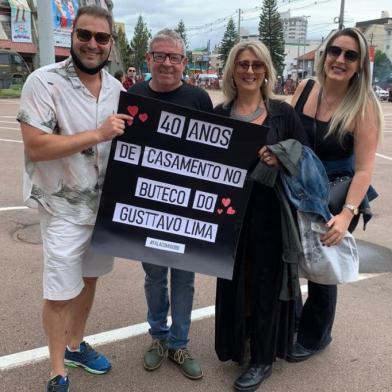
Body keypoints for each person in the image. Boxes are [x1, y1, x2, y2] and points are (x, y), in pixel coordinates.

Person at [17, 6, 131, 392]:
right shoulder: (43, 82)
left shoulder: (118, 90)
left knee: (89, 280)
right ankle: (57, 370)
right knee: (60, 291)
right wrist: (97, 135)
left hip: (104, 209)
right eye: (85, 35)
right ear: (72, 36)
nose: (92, 44)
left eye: (101, 38)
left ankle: (76, 345)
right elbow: (36, 147)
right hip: (63, 207)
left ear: (111, 44)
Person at [213, 40, 309, 392]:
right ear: (232, 71)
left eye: (256, 64)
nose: (249, 70)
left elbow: (305, 156)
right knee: (236, 280)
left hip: (271, 214)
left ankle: (263, 358)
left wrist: (281, 156)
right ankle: (239, 343)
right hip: (231, 216)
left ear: (266, 69)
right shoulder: (221, 114)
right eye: (242, 64)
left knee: (267, 284)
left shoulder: (283, 114)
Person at [288, 27, 382, 362]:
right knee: (292, 260)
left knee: (322, 271)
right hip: (296, 193)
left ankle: (315, 337)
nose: (340, 59)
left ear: (359, 66)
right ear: (325, 53)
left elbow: (364, 170)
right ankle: (293, 322)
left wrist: (346, 216)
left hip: (335, 199)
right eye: (335, 51)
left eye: (350, 55)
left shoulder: (364, 106)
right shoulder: (305, 88)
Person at [128, 28, 213, 380]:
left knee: (184, 278)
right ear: (148, 60)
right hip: (147, 205)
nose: (166, 63)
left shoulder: (199, 99)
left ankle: (179, 343)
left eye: (174, 57)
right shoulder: (133, 95)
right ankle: (158, 338)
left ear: (184, 63)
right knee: (153, 277)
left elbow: (215, 156)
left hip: (186, 208)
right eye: (159, 56)